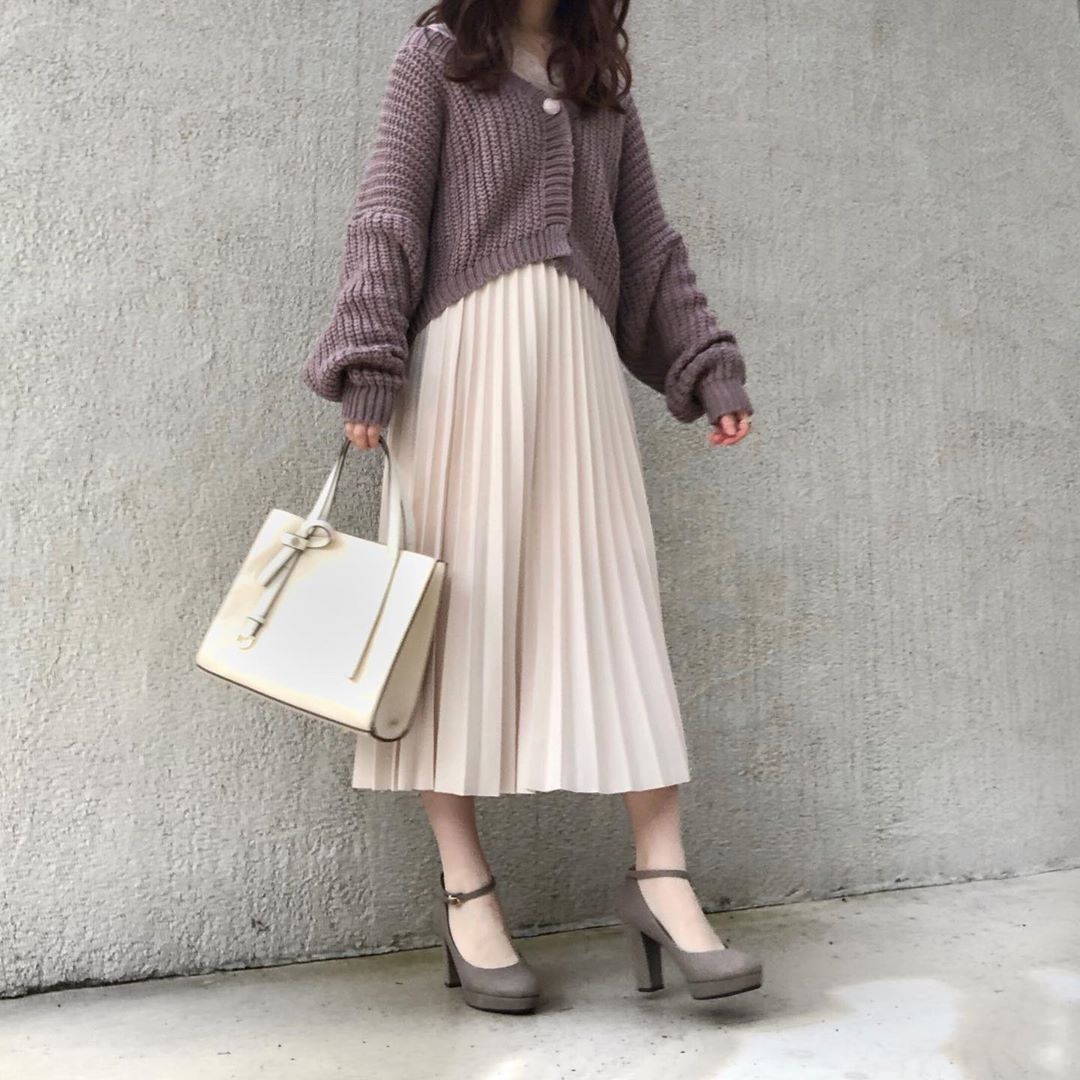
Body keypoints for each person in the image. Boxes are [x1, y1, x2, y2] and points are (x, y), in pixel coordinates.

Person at [302, 0, 760, 1014]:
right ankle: (467, 889)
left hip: (582, 376)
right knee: (451, 626)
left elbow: (648, 248)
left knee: (616, 612)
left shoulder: (599, 83)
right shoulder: (433, 61)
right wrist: (370, 365)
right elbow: (387, 215)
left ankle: (662, 874)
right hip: (460, 374)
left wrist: (705, 365)